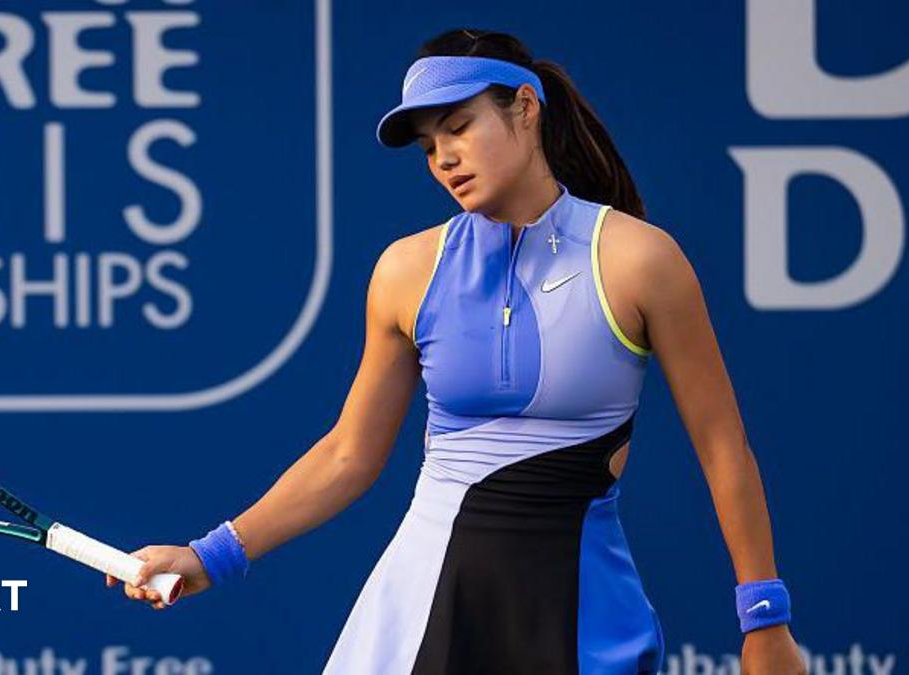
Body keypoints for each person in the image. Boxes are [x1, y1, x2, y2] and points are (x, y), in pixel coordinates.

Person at [108, 28, 806, 675]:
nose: (443, 157)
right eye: (427, 145)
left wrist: (764, 618)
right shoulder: (405, 271)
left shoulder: (641, 260)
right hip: (418, 606)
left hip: (583, 615)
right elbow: (349, 454)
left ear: (525, 107)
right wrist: (209, 556)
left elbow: (723, 447)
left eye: (459, 126)